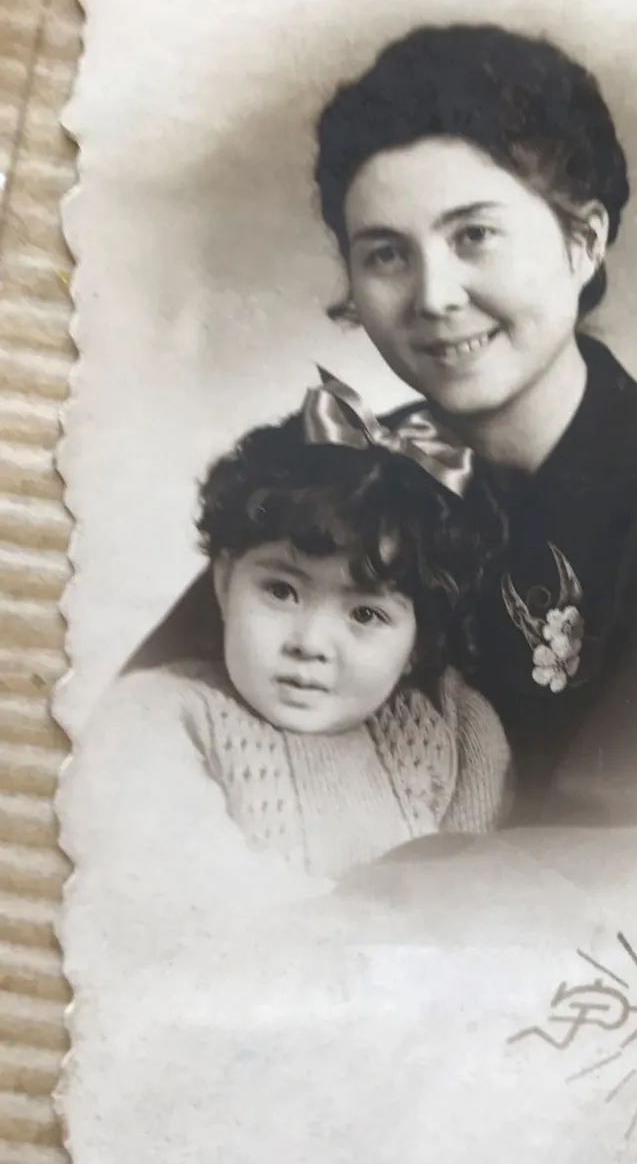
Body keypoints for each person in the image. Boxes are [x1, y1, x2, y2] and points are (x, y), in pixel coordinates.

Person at [132, 22, 637, 822]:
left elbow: (623, 839)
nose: (433, 296)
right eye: (387, 253)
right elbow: (138, 725)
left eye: (474, 236)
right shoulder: (349, 463)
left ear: (584, 241)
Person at [69, 377, 512, 884]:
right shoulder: (158, 715)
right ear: (225, 584)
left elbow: (470, 904)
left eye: (365, 615)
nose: (309, 644)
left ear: (421, 640)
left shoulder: (459, 730)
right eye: (281, 592)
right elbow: (196, 900)